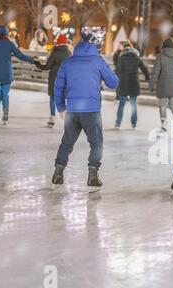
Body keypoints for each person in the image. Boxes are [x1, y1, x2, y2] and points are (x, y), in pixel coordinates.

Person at [51, 28, 119, 189]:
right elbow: (114, 82)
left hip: (72, 110)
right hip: (91, 111)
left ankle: (58, 172)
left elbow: (58, 86)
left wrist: (61, 107)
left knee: (66, 143)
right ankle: (92, 175)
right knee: (96, 144)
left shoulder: (68, 62)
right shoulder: (98, 61)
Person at [0, 25, 36, 125]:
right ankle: (6, 113)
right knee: (5, 94)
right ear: (7, 34)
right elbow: (20, 55)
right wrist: (32, 60)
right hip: (6, 74)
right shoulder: (10, 44)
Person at [34, 34, 72, 127]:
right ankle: (65, 115)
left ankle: (52, 117)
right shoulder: (69, 54)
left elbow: (47, 66)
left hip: (54, 79)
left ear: (57, 42)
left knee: (52, 98)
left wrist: (37, 63)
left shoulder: (54, 52)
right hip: (65, 79)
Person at [149, 38, 173, 133]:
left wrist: (151, 85)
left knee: (162, 106)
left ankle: (164, 125)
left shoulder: (160, 57)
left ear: (163, 47)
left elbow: (155, 73)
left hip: (163, 86)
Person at [115, 41, 150, 129]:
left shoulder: (122, 58)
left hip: (124, 83)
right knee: (133, 104)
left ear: (124, 50)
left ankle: (118, 123)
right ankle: (133, 123)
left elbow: (117, 71)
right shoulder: (136, 58)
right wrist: (147, 78)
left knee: (121, 104)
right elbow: (144, 69)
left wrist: (116, 81)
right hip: (134, 83)